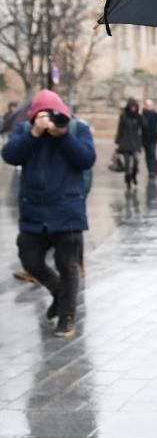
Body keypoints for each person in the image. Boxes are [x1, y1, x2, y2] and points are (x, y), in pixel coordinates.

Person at [1, 89, 96, 338]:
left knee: (68, 265)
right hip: (34, 211)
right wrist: (33, 134)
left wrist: (62, 135)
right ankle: (57, 292)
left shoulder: (77, 129)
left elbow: (86, 159)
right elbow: (9, 155)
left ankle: (67, 316)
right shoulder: (25, 131)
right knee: (29, 258)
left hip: (67, 210)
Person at [115, 98, 143, 188]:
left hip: (135, 142)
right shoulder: (123, 116)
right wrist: (117, 141)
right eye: (132, 106)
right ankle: (127, 180)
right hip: (125, 142)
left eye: (135, 107)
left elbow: (144, 125)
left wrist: (140, 116)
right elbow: (120, 129)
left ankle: (134, 175)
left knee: (136, 161)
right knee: (127, 164)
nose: (133, 108)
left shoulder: (138, 116)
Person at [140, 98, 157, 176]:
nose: (148, 106)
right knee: (147, 154)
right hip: (144, 138)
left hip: (153, 137)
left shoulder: (155, 114)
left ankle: (152, 170)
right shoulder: (142, 114)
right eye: (147, 105)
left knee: (152, 153)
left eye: (150, 105)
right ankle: (150, 170)